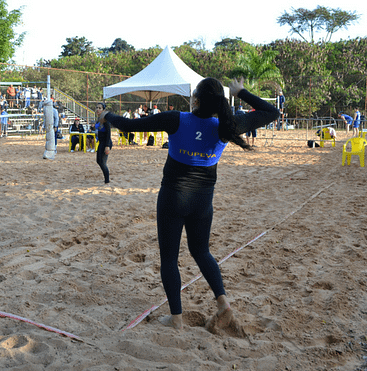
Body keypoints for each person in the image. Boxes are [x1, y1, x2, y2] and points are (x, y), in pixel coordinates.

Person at [100, 77, 279, 332]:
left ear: (195, 99)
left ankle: (176, 319)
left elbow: (130, 125)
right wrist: (241, 92)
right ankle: (223, 304)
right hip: (202, 201)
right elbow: (272, 112)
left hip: (173, 198)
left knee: (169, 259)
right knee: (201, 251)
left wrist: (107, 115)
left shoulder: (176, 119)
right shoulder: (226, 125)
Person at [95, 102, 112, 183]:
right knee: (99, 161)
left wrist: (107, 146)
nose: (98, 109)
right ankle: (107, 179)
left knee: (102, 162)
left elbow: (108, 133)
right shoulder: (99, 119)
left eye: (100, 108)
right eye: (97, 108)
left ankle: (107, 180)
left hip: (106, 142)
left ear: (103, 110)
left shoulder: (105, 120)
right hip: (101, 142)